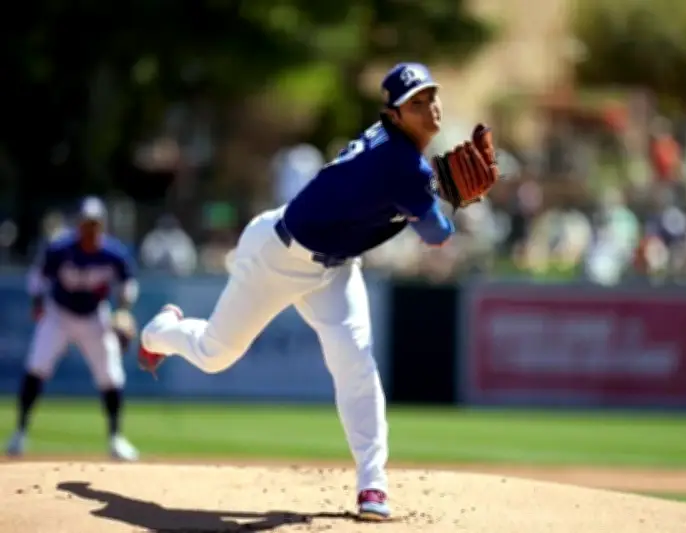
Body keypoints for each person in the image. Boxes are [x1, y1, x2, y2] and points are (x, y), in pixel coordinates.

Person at [137, 62, 495, 521]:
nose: (431, 109)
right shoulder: (400, 163)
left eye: (432, 97)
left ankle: (373, 484)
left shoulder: (399, 153)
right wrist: (445, 192)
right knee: (214, 353)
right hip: (277, 258)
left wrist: (437, 185)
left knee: (356, 361)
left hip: (335, 268)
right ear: (393, 114)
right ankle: (162, 331)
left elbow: (411, 194)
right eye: (416, 103)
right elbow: (437, 233)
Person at [5, 197, 140, 461]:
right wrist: (38, 302)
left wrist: (123, 310)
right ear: (78, 225)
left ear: (102, 226)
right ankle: (19, 434)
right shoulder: (60, 249)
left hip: (94, 316)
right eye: (86, 224)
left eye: (95, 224)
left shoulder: (113, 253)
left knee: (110, 376)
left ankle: (116, 438)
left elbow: (127, 284)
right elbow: (37, 278)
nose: (90, 229)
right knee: (37, 366)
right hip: (59, 313)